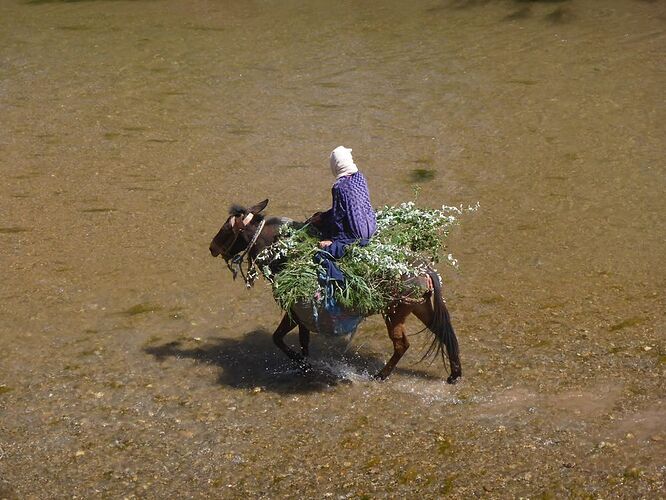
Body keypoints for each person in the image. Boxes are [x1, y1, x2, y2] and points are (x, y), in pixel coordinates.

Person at [310, 146, 377, 285]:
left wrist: (330, 241)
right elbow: (347, 208)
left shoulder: (339, 187)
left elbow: (338, 219)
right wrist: (323, 216)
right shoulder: (360, 178)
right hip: (371, 230)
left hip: (356, 239)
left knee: (321, 255)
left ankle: (339, 281)